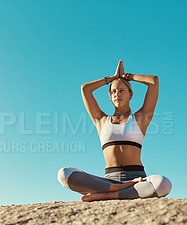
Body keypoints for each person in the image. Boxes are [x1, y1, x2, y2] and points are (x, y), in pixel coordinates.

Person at [57, 60, 172, 202]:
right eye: (113, 91)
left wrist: (127, 77)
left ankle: (108, 195)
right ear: (110, 97)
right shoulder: (101, 120)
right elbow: (85, 89)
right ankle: (120, 190)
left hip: (137, 178)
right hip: (108, 182)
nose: (117, 94)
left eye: (122, 90)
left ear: (131, 94)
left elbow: (154, 81)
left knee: (164, 183)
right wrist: (112, 78)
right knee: (64, 174)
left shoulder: (140, 119)